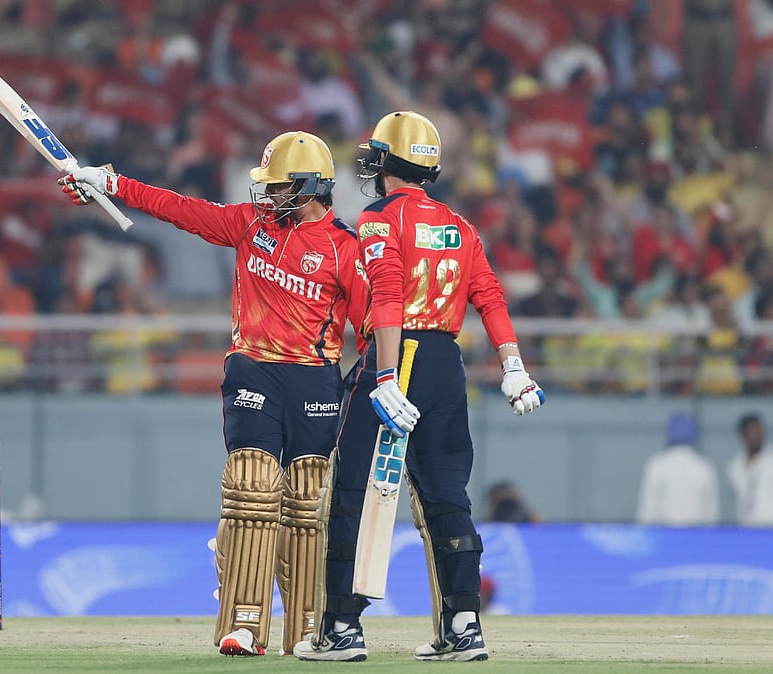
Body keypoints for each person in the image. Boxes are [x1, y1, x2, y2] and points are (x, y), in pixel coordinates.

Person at [60, 131, 369, 657]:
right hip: (253, 370)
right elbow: (181, 209)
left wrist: (376, 385)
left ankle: (309, 630)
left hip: (315, 378)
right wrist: (110, 183)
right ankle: (245, 623)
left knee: (307, 500)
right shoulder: (252, 225)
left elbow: (371, 328)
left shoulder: (345, 247)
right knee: (250, 486)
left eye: (278, 188)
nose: (267, 197)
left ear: (311, 187)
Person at [293, 111, 544, 664]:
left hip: (397, 355)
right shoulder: (460, 225)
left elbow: (385, 296)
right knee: (447, 497)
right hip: (446, 366)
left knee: (355, 493)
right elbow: (491, 298)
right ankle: (464, 625)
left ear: (387, 161)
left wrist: (383, 376)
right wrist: (514, 367)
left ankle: (341, 627)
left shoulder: (379, 219)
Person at [637, 413, 720, 526]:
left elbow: (647, 510)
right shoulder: (705, 467)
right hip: (696, 537)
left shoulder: (657, 464)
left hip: (663, 536)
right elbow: (711, 514)